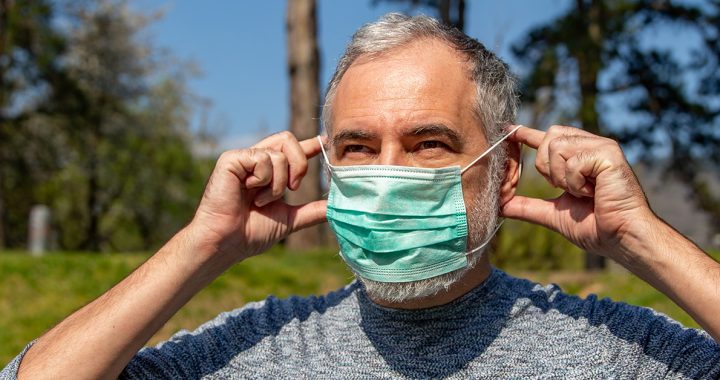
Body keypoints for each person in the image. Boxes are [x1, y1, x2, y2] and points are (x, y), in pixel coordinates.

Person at [3, 13, 720, 379]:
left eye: (428, 143)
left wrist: (642, 239)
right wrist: (202, 248)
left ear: (504, 174)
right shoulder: (265, 348)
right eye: (356, 147)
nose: (388, 173)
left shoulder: (610, 351)